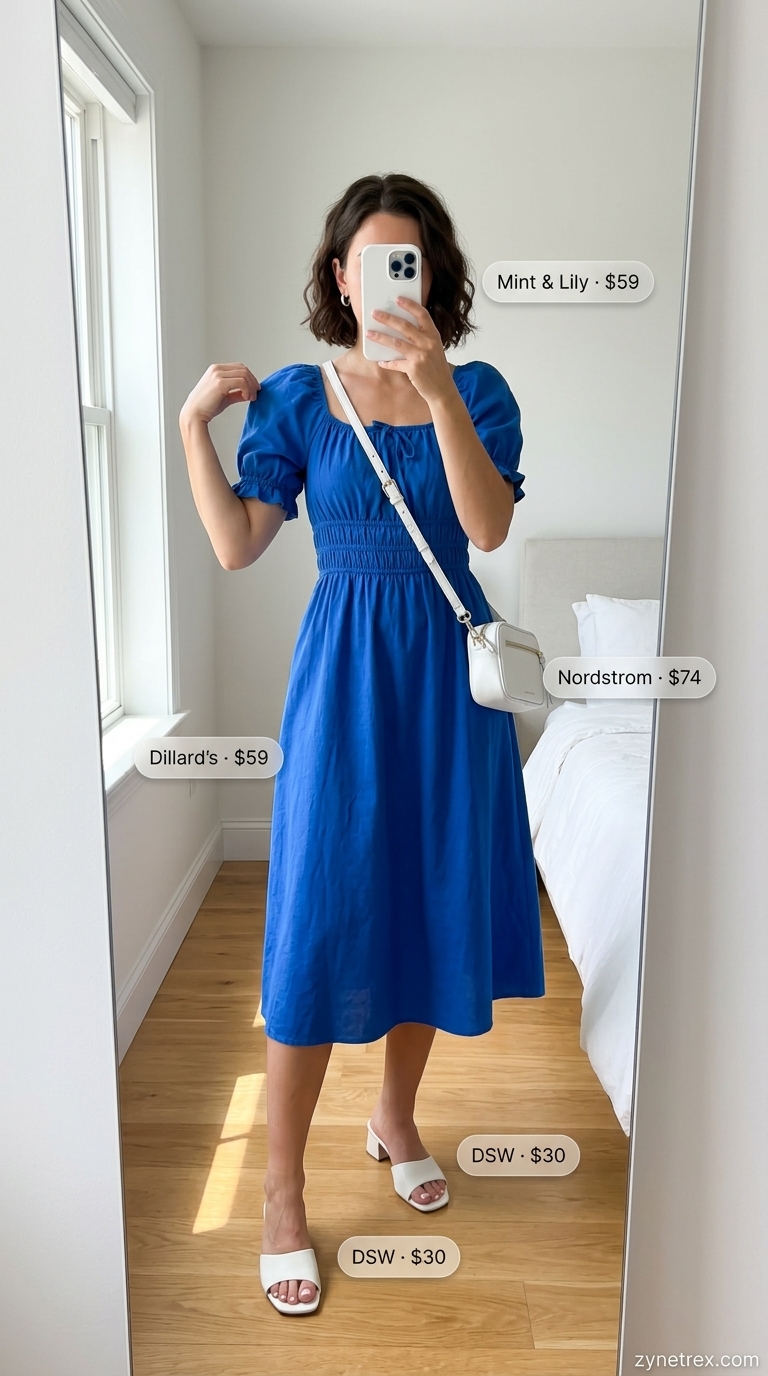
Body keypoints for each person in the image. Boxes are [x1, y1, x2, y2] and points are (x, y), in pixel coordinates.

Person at [179, 173, 545, 1315]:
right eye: (371, 260)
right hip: (343, 682)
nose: (393, 278)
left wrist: (435, 393)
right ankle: (281, 1187)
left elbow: (486, 527)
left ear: (434, 276)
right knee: (317, 925)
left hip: (445, 682)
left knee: (427, 906)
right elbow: (240, 543)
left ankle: (394, 1118)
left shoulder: (478, 391)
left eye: (413, 260)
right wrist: (194, 423)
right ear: (339, 276)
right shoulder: (295, 397)